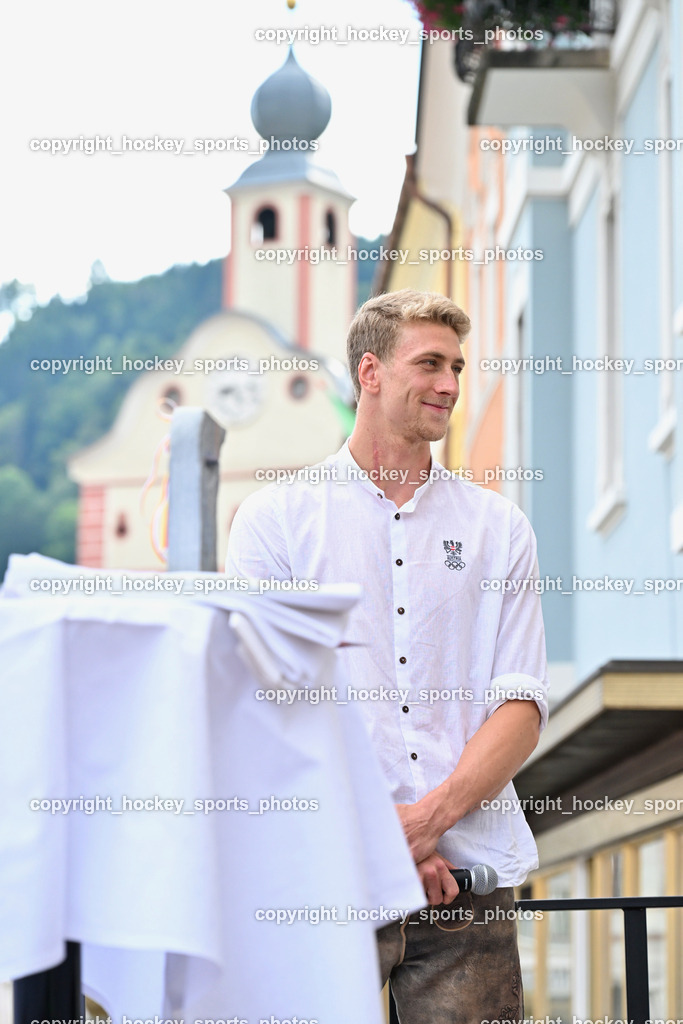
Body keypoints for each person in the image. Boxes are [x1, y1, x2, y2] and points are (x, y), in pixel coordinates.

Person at [226, 289, 549, 1023]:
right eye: (429, 363)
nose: (449, 385)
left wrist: (427, 823)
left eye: (457, 367)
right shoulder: (275, 521)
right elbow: (269, 709)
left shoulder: (500, 528)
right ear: (369, 372)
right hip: (321, 881)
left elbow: (521, 705)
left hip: (465, 886)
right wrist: (384, 838)